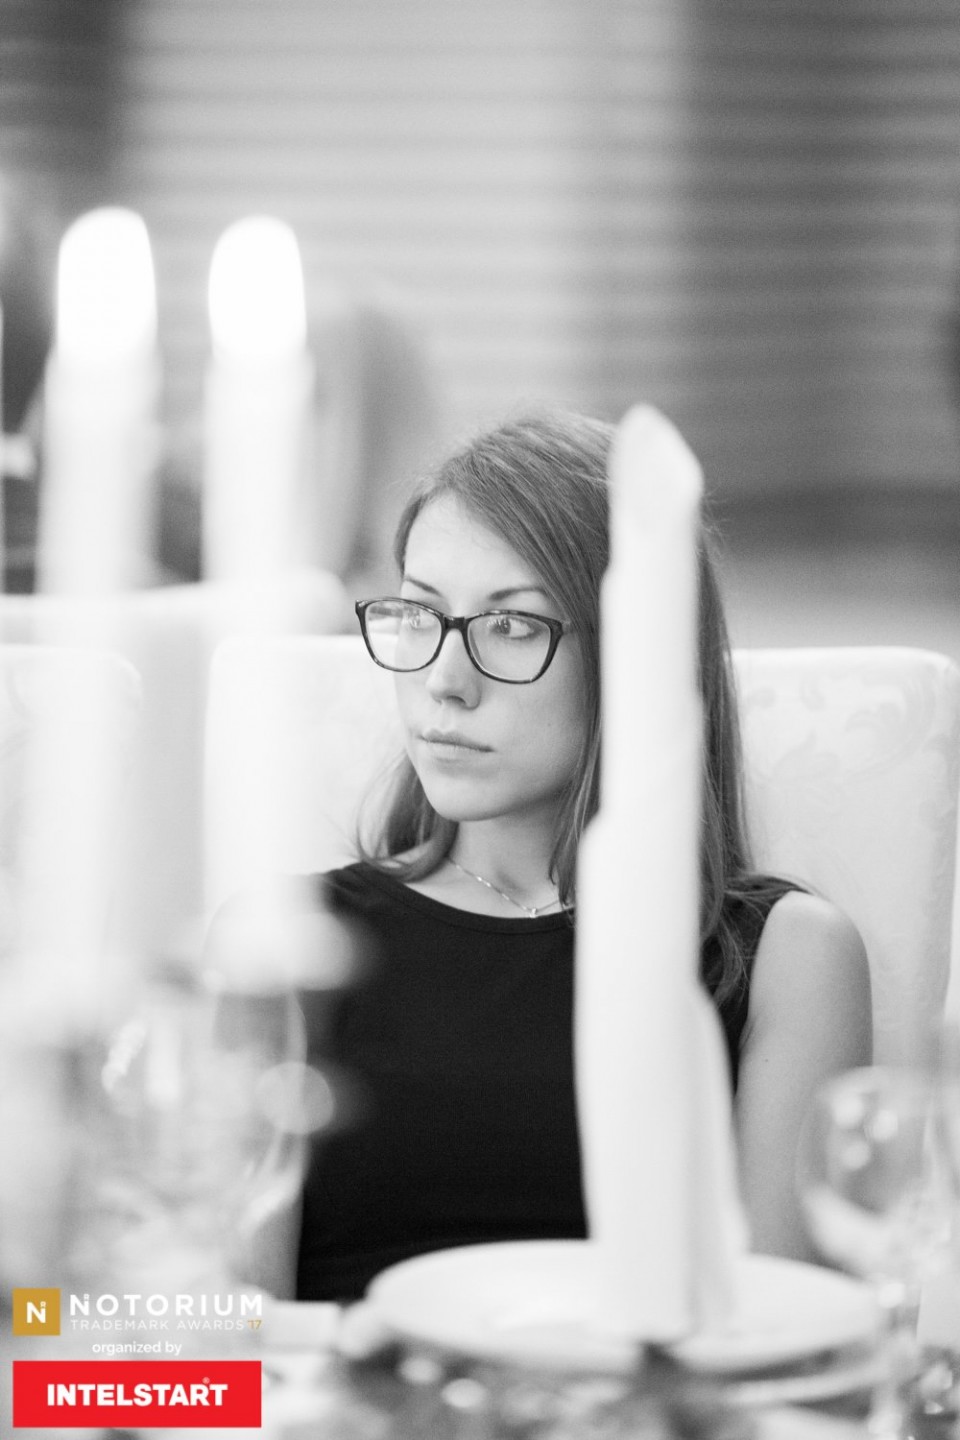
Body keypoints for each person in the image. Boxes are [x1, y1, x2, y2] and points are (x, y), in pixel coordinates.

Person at [293, 408, 872, 1302]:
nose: (444, 680)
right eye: (420, 613)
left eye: (512, 625)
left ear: (635, 654)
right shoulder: (292, 941)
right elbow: (200, 1353)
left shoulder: (786, 958)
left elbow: (781, 1344)